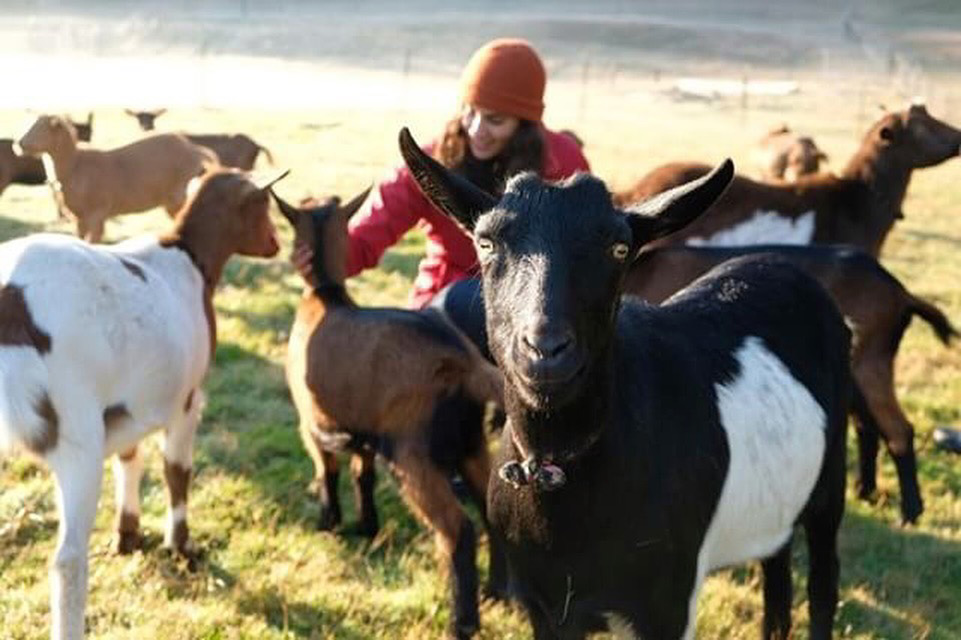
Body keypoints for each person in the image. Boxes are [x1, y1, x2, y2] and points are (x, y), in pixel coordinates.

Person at [295, 37, 590, 309]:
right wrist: (320, 253)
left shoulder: (562, 163)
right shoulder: (428, 164)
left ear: (525, 124)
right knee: (461, 301)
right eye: (470, 111)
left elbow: (589, 252)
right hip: (444, 314)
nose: (476, 130)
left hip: (532, 311)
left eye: (495, 120)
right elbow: (361, 245)